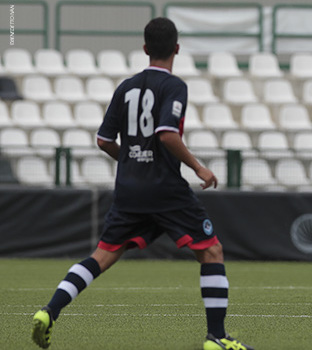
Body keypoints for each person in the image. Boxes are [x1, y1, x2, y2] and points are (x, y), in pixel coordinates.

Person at [31, 17, 253, 350]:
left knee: (102, 256)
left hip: (129, 189)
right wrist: (198, 168)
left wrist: (131, 158)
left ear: (145, 48)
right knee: (211, 251)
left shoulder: (126, 87)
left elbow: (104, 141)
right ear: (176, 49)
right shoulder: (175, 86)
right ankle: (217, 338)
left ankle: (49, 311)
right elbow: (166, 134)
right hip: (165, 188)